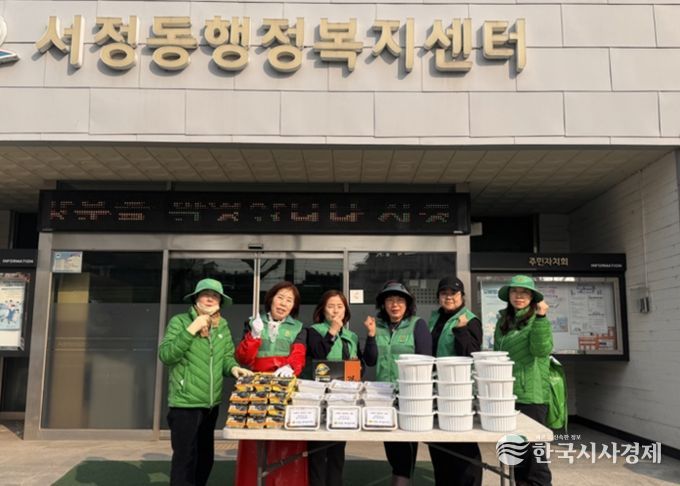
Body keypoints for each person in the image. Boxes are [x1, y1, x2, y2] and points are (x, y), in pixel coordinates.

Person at [159, 278, 252, 486]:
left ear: (220, 302)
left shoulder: (222, 325)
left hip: (211, 404)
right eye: (205, 294)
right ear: (196, 298)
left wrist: (233, 368)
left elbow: (226, 357)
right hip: (185, 403)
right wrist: (191, 329)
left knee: (205, 457)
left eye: (215, 296)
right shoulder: (180, 322)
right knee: (185, 458)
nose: (210, 299)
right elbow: (166, 355)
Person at [234, 281, 308, 486]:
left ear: (294, 306)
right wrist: (254, 335)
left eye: (289, 300)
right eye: (280, 297)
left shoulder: (299, 328)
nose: (283, 303)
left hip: (285, 388)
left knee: (286, 441)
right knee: (253, 442)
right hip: (256, 388)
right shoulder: (253, 323)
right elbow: (243, 358)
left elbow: (299, 353)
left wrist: (291, 366)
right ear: (271, 299)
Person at [306, 290, 378, 486]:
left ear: (346, 311)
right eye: (331, 306)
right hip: (320, 400)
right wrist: (332, 331)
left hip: (345, 400)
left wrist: (371, 335)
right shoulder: (314, 331)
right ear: (322, 310)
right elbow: (318, 353)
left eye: (340, 306)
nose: (336, 310)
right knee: (317, 451)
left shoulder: (351, 335)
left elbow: (367, 362)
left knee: (337, 451)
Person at [364, 281, 432, 486]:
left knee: (405, 448)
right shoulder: (377, 325)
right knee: (392, 445)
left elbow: (426, 360)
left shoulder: (417, 325)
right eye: (390, 300)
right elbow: (370, 360)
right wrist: (371, 335)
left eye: (400, 300)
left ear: (407, 304)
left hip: (408, 396)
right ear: (383, 304)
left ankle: (401, 481)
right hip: (383, 395)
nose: (395, 305)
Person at [494, 275, 553, 486]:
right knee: (517, 456)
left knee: (535, 460)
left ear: (532, 297)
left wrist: (541, 317)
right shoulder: (503, 320)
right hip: (508, 395)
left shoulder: (537, 320)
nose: (519, 296)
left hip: (531, 396)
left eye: (525, 292)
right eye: (515, 291)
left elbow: (541, 350)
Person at [427, 277, 483, 486]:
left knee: (462, 444)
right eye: (444, 293)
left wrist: (461, 330)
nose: (449, 297)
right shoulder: (435, 318)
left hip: (458, 391)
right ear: (438, 297)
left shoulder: (470, 320)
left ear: (462, 296)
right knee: (439, 443)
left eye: (454, 293)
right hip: (436, 388)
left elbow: (471, 355)